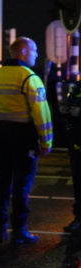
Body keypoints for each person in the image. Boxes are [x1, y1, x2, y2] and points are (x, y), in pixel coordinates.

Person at [0, 36, 53, 244]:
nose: (37, 54)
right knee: (22, 184)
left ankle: (0, 228)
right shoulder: (29, 78)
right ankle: (19, 231)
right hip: (23, 136)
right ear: (23, 52)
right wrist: (46, 142)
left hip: (0, 134)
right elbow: (41, 114)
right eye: (34, 50)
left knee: (2, 181)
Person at [60, 84, 81, 235]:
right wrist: (65, 112)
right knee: (78, 183)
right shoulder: (77, 89)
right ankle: (79, 218)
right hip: (77, 142)